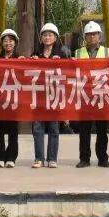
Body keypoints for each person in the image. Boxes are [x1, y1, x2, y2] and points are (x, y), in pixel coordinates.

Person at [73, 21, 109, 168]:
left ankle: (103, 158)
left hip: (101, 94)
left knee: (102, 130)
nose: (91, 37)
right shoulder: (78, 53)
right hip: (85, 95)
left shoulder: (107, 52)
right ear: (85, 37)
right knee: (84, 130)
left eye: (94, 34)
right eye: (88, 35)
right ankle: (84, 158)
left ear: (99, 36)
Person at [32, 22, 69, 168]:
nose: (47, 37)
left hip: (55, 94)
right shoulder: (36, 54)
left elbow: (69, 72)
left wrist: (63, 62)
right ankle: (39, 158)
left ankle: (52, 158)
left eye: (50, 35)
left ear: (55, 37)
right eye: (45, 35)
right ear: (41, 38)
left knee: (54, 127)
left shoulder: (61, 54)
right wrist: (31, 61)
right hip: (39, 95)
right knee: (38, 128)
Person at [0, 28, 21, 168]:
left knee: (13, 130)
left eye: (11, 40)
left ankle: (11, 158)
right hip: (0, 99)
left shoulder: (21, 59)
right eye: (5, 40)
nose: (8, 43)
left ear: (15, 43)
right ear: (2, 43)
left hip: (14, 99)